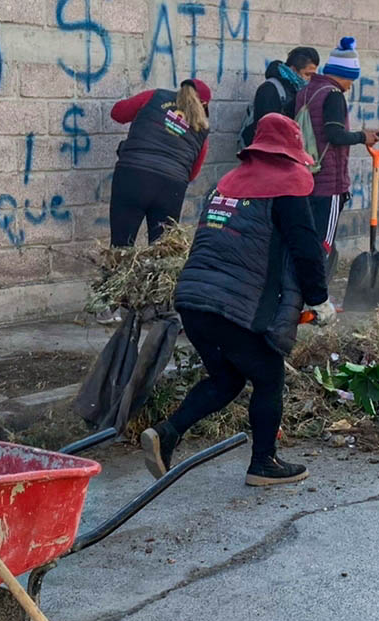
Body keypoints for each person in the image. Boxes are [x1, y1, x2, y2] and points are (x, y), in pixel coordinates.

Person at [140, 113, 335, 488]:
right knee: (269, 377)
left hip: (194, 299)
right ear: (292, 151)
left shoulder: (226, 184)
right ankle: (264, 463)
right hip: (235, 306)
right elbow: (306, 248)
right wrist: (319, 299)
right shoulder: (289, 184)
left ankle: (166, 433)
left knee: (227, 378)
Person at [292, 37, 379, 271]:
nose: (350, 86)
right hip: (328, 183)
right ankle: (316, 299)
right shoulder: (333, 95)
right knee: (323, 245)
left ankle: (296, 296)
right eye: (351, 80)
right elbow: (334, 135)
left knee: (305, 241)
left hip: (305, 177)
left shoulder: (306, 90)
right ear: (343, 74)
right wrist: (363, 137)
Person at [108, 79, 212, 247]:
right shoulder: (202, 127)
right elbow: (192, 173)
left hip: (132, 177)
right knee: (162, 255)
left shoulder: (154, 96)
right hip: (171, 188)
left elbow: (117, 113)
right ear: (204, 104)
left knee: (120, 248)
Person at [238, 47, 321, 148]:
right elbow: (266, 128)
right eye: (307, 74)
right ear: (293, 69)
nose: (310, 79)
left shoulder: (300, 89)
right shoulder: (270, 89)